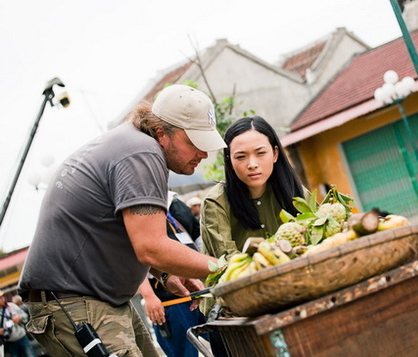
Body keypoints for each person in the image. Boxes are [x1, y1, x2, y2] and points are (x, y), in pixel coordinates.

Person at [18, 84, 226, 356]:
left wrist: (164, 273)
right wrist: (227, 268)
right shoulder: (142, 153)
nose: (203, 153)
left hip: (96, 299)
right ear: (163, 133)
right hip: (74, 304)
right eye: (194, 143)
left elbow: (122, 231)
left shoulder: (135, 145)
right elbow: (150, 246)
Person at [200, 115, 308, 355]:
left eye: (260, 153)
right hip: (233, 311)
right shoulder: (216, 202)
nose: (252, 164)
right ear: (229, 160)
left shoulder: (297, 195)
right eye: (241, 156)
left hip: (293, 296)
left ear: (275, 154)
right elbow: (230, 265)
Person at [138, 191, 209, 357]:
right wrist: (149, 297)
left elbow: (196, 233)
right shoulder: (138, 207)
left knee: (226, 345)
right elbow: (134, 256)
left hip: (197, 293)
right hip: (168, 301)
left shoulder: (173, 202)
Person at [0, 291, 35, 357]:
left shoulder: (12, 306)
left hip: (22, 338)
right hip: (9, 342)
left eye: (2, 297)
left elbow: (25, 316)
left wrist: (19, 318)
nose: (2, 299)